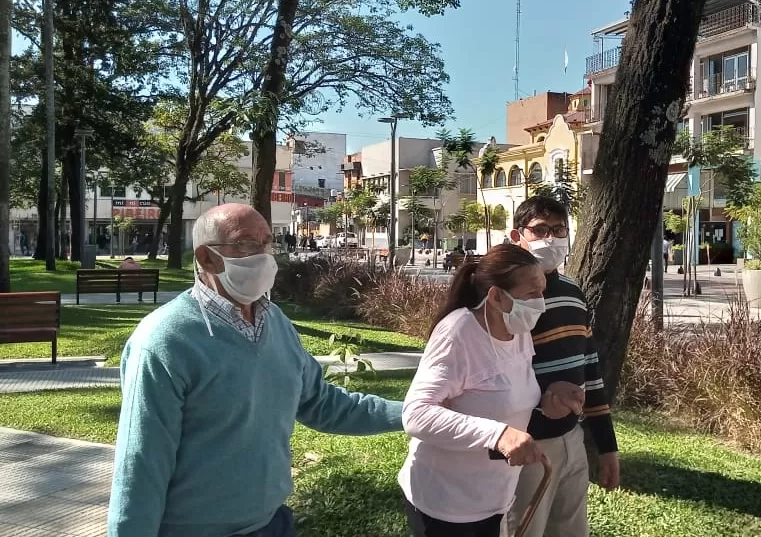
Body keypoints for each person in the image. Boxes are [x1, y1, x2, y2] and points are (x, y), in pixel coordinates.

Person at [108, 204, 404, 537]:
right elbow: (141, 465)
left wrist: (412, 414)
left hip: (273, 524)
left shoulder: (275, 323)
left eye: (267, 243)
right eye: (246, 243)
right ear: (206, 258)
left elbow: (323, 404)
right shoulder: (165, 341)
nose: (263, 255)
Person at [398, 244, 582, 537]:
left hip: (493, 500)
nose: (540, 303)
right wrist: (498, 435)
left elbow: (502, 399)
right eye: (531, 294)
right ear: (496, 296)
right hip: (446, 504)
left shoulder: (518, 332)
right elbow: (417, 415)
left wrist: (549, 402)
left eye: (542, 292)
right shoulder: (459, 334)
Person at [506, 196, 621, 537]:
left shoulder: (573, 291)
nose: (551, 239)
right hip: (528, 445)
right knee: (523, 530)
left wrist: (607, 444)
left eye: (559, 230)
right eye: (540, 230)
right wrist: (542, 402)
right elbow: (494, 371)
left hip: (572, 439)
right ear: (517, 236)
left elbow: (589, 367)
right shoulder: (503, 296)